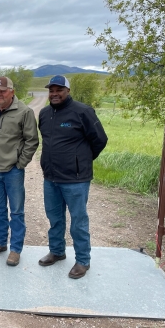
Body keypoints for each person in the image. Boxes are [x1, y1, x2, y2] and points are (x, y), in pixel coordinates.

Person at [38, 75, 108, 279]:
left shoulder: (83, 111)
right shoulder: (44, 113)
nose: (54, 93)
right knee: (54, 218)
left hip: (75, 179)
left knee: (78, 221)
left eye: (59, 90)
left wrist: (81, 160)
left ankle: (83, 260)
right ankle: (57, 251)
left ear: (68, 91)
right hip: (50, 177)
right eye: (51, 90)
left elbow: (100, 140)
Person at [0, 76, 39, 266]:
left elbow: (32, 140)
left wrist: (20, 163)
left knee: (16, 211)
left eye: (2, 91)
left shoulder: (24, 112)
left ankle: (15, 249)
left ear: (12, 92)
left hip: (13, 170)